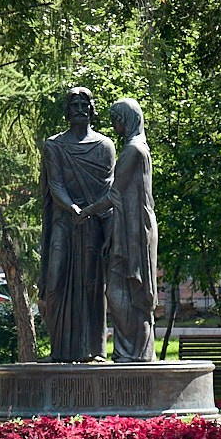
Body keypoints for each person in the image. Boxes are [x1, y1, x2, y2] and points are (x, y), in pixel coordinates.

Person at [38, 86, 116, 361]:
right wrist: (73, 209)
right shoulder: (54, 145)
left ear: (92, 109)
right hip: (64, 221)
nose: (80, 109)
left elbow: (109, 189)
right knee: (54, 281)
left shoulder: (105, 146)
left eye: (85, 104)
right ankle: (59, 349)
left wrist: (89, 213)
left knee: (92, 285)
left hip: (93, 223)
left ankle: (92, 350)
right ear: (66, 111)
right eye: (74, 104)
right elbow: (55, 184)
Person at [82, 97, 159, 362]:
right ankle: (131, 352)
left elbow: (115, 194)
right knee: (120, 290)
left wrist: (86, 211)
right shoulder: (135, 148)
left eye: (116, 119)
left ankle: (135, 352)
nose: (113, 125)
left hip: (136, 230)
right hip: (126, 227)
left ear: (126, 120)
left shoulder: (134, 150)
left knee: (124, 292)